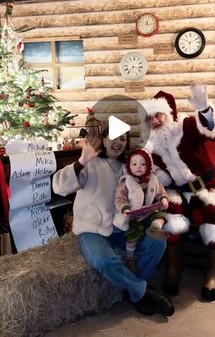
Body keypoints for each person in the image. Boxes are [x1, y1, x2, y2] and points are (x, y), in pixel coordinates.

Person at [52, 127, 174, 317]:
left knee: (157, 243)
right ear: (104, 140)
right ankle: (141, 291)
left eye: (123, 139)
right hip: (91, 229)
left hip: (121, 227)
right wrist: (82, 160)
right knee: (104, 261)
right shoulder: (89, 164)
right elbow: (60, 187)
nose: (118, 142)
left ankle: (133, 292)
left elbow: (149, 187)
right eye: (114, 137)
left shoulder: (129, 168)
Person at [140, 84, 215, 302]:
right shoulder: (150, 147)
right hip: (178, 191)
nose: (154, 121)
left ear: (170, 114)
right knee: (170, 217)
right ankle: (173, 270)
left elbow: (210, 128)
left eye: (159, 115)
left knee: (214, 219)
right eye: (149, 117)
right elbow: (150, 172)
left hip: (209, 186)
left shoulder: (186, 127)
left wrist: (203, 109)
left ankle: (214, 273)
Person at [113, 148, 169, 273]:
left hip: (147, 212)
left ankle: (154, 228)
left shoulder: (153, 179)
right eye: (134, 164)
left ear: (149, 166)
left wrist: (164, 199)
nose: (138, 167)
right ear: (129, 166)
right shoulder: (126, 181)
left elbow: (161, 191)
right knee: (134, 232)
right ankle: (130, 257)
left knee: (161, 215)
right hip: (132, 215)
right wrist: (125, 209)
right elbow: (119, 198)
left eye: (143, 164)